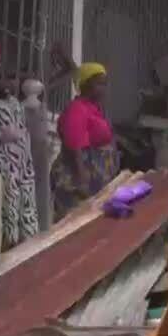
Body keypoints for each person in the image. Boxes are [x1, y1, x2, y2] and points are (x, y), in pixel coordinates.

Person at [51, 62, 119, 220]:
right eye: (99, 84)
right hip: (78, 178)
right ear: (86, 84)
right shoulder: (77, 109)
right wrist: (81, 179)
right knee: (75, 221)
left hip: (94, 178)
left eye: (105, 84)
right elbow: (74, 145)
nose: (103, 89)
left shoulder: (92, 108)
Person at [0, 75, 39, 248]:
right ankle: (11, 239)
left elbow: (17, 130)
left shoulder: (17, 105)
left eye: (12, 79)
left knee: (23, 198)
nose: (8, 83)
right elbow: (3, 132)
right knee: (11, 199)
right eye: (6, 78)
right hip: (7, 161)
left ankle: (23, 238)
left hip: (21, 160)